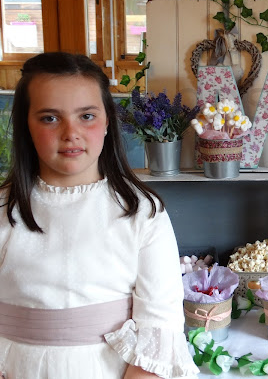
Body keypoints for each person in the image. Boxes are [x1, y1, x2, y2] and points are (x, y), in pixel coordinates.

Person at [0, 52, 199, 378]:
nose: (71, 132)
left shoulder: (142, 212)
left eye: (87, 116)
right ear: (26, 125)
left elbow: (160, 325)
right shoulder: (4, 210)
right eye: (49, 118)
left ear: (107, 121)